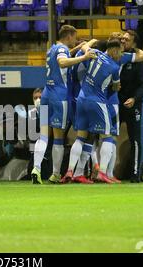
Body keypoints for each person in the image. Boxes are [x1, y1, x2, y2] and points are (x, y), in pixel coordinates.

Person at [30, 25, 97, 185]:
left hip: (46, 93)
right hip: (59, 97)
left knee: (44, 136)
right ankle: (55, 174)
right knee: (58, 138)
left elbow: (63, 55)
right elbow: (62, 62)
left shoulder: (52, 48)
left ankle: (36, 168)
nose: (75, 39)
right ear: (69, 36)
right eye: (74, 37)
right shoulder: (61, 50)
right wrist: (84, 57)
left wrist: (77, 48)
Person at [61, 39, 124, 184]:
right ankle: (102, 172)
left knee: (80, 137)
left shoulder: (94, 53)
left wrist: (90, 42)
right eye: (119, 51)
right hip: (97, 101)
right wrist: (115, 86)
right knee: (107, 135)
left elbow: (84, 46)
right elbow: (115, 87)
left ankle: (71, 171)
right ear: (114, 50)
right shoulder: (114, 67)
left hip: (82, 99)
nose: (120, 54)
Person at [119, 30, 143, 182]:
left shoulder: (138, 61)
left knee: (135, 139)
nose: (123, 41)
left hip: (132, 104)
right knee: (104, 137)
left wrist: (134, 99)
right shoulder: (115, 56)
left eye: (127, 40)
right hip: (115, 102)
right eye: (122, 39)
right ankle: (103, 173)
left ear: (134, 44)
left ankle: (135, 174)